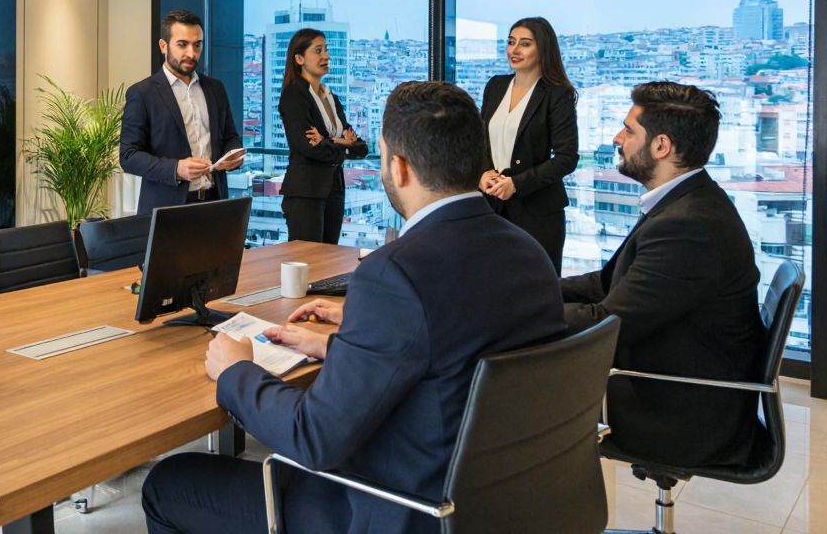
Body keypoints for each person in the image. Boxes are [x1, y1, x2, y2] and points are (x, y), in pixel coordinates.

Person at [142, 81, 566, 534]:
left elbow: (313, 438)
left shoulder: (394, 274)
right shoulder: (529, 254)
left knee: (169, 482)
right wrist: (342, 347)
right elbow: (450, 350)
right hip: (501, 504)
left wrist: (236, 371)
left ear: (399, 168)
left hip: (396, 509)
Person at [561, 81, 762, 468]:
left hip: (680, 414)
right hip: (674, 382)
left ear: (661, 146)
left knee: (505, 402)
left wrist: (511, 312)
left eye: (628, 130)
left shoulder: (688, 226)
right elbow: (606, 284)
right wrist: (529, 292)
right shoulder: (684, 202)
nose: (617, 138)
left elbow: (606, 323)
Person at [121, 9, 245, 216]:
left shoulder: (216, 88)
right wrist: (176, 168)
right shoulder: (142, 93)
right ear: (163, 46)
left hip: (215, 204)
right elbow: (128, 156)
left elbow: (230, 137)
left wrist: (232, 156)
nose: (191, 53)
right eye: (182, 44)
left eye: (197, 45)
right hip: (167, 210)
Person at [479, 16, 579, 272]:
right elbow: (480, 142)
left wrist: (517, 183)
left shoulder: (557, 94)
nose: (515, 50)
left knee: (534, 286)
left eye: (525, 43)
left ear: (543, 48)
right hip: (491, 204)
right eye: (511, 42)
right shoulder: (496, 85)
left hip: (537, 211)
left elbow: (567, 157)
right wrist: (481, 173)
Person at [277, 28, 368, 243]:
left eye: (326, 50)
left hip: (334, 188)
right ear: (299, 58)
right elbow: (307, 147)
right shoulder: (294, 96)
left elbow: (361, 147)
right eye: (318, 51)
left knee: (329, 259)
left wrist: (330, 141)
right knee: (308, 263)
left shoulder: (331, 97)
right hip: (305, 191)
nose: (326, 56)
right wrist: (344, 144)